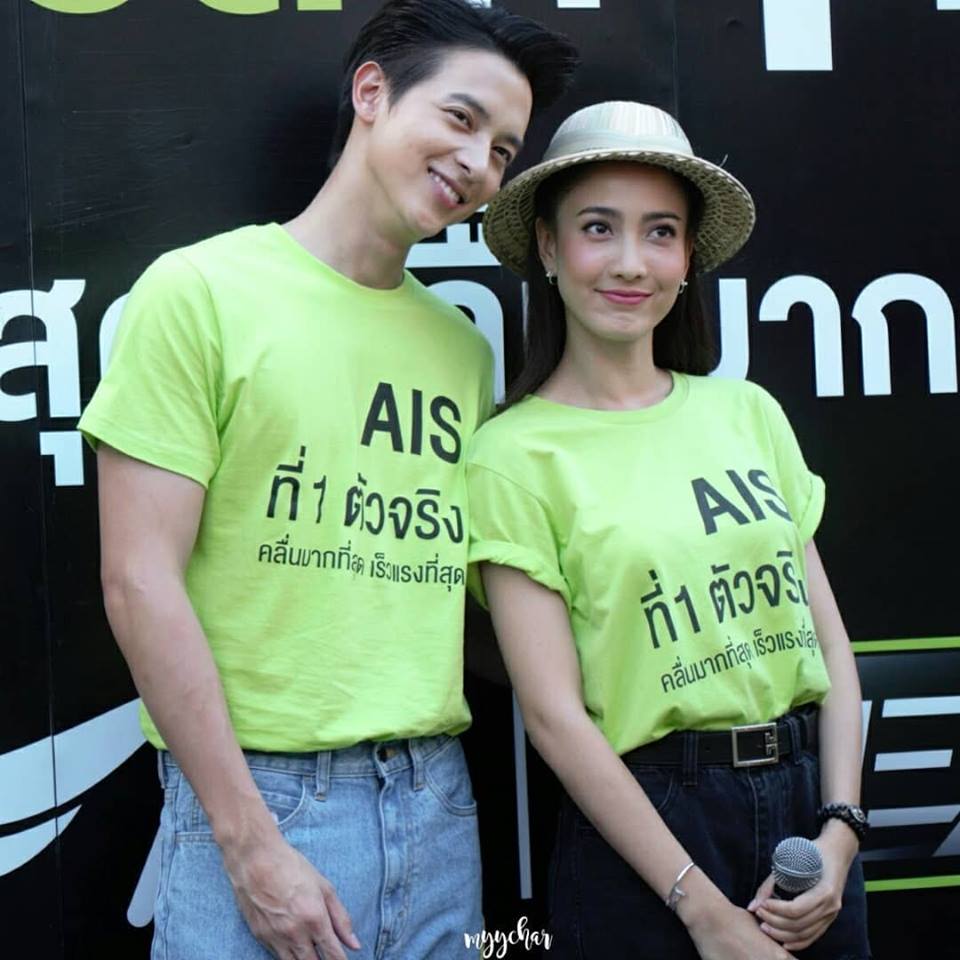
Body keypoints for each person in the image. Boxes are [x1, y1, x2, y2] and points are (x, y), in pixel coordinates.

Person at [77, 3, 577, 958]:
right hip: (261, 803)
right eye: (461, 118)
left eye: (504, 151)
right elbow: (138, 582)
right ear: (372, 92)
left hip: (438, 804)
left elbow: (468, 597)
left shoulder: (461, 351)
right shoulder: (200, 292)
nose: (478, 164)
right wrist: (250, 843)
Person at [467, 101, 871, 960]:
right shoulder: (511, 454)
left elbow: (831, 649)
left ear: (687, 258)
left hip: (806, 831)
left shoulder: (748, 412)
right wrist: (701, 909)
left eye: (660, 232)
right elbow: (554, 717)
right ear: (548, 247)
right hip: (648, 841)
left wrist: (840, 832)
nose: (630, 262)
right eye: (598, 228)